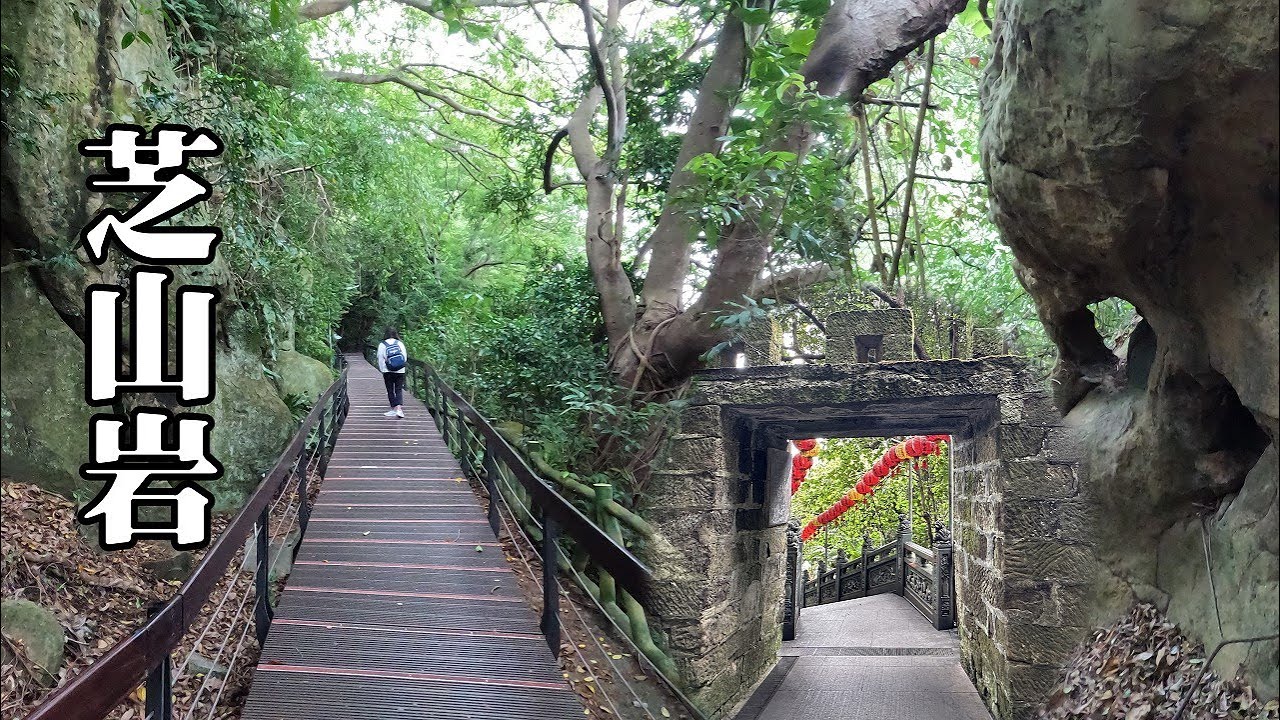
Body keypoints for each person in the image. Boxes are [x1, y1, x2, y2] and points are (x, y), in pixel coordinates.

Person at [376, 327, 408, 418]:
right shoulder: (400, 343)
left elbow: (380, 358)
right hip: (400, 370)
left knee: (390, 390)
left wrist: (383, 370)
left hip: (388, 370)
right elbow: (404, 357)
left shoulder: (383, 344)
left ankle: (393, 409)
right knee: (398, 389)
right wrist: (400, 366)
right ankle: (399, 409)